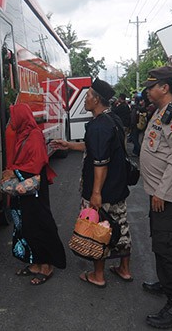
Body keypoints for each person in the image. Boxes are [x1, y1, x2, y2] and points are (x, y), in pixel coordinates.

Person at [52, 78, 133, 288]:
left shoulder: (98, 126)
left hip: (103, 191)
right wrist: (68, 145)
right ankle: (124, 269)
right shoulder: (113, 119)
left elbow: (100, 162)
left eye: (87, 96)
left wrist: (96, 193)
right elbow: (94, 148)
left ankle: (98, 275)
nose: (85, 100)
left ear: (97, 100)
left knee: (99, 230)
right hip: (117, 188)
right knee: (120, 226)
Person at [138, 66, 172, 329]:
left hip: (168, 195)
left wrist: (162, 192)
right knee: (160, 242)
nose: (148, 90)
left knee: (167, 247)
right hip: (158, 193)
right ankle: (165, 282)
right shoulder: (162, 112)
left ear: (165, 87)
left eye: (152, 86)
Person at [1, 104, 66, 285]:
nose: (11, 121)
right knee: (27, 226)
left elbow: (38, 163)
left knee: (40, 225)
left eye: (13, 117)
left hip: (34, 189)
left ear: (21, 117)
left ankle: (47, 266)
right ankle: (35, 263)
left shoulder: (35, 135)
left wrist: (14, 172)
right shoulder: (22, 134)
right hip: (24, 190)